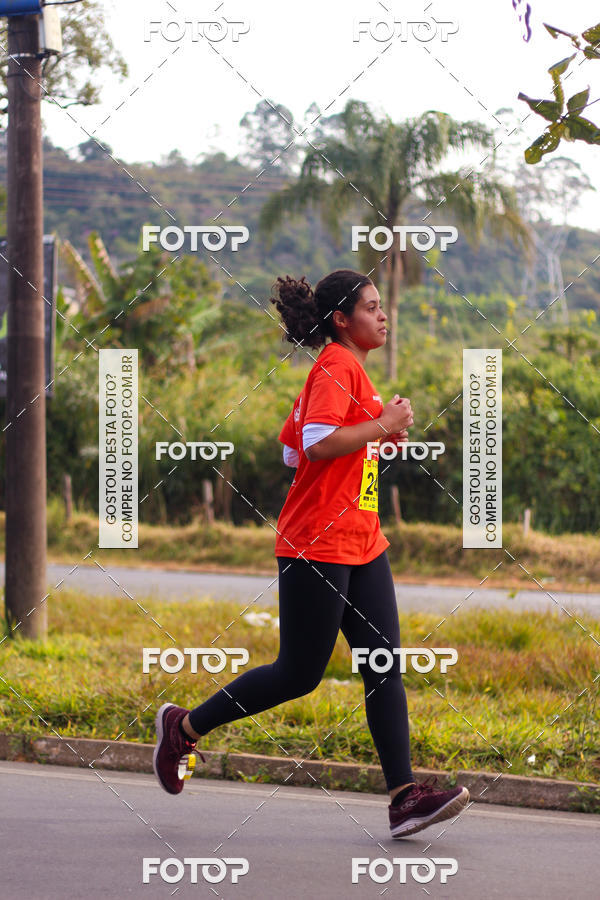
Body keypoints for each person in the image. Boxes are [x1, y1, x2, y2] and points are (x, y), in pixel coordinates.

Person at [153, 269, 469, 838]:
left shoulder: (349, 371)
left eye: (381, 306)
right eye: (371, 307)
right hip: (317, 542)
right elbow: (314, 444)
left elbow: (291, 454)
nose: (383, 315)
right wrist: (381, 425)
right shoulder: (336, 366)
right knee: (298, 674)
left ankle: (404, 798)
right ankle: (184, 727)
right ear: (342, 320)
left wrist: (377, 437)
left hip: (362, 541)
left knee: (382, 665)